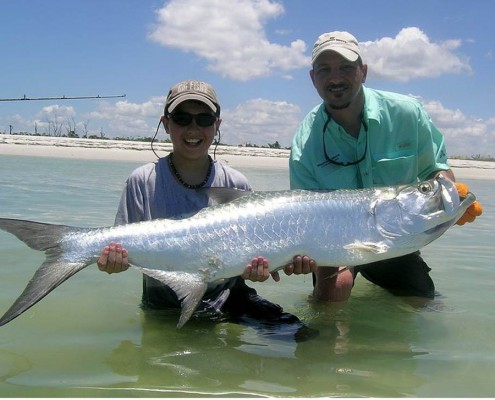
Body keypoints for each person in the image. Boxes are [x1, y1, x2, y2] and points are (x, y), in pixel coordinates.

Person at [288, 31, 482, 302]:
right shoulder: (305, 140)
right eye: (324, 70)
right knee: (332, 292)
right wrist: (297, 254)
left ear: (363, 72)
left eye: (346, 67)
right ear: (312, 78)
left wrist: (449, 189)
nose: (335, 78)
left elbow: (436, 169)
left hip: (397, 237)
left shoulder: (408, 113)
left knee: (423, 301)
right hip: (335, 242)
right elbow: (302, 211)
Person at [96, 79, 304, 324]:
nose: (193, 129)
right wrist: (111, 263)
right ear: (166, 124)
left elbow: (248, 260)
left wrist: (260, 272)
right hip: (162, 307)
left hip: (229, 301)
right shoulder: (141, 182)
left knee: (301, 334)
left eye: (204, 119)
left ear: (217, 125)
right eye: (182, 118)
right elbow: (115, 255)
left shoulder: (236, 183)